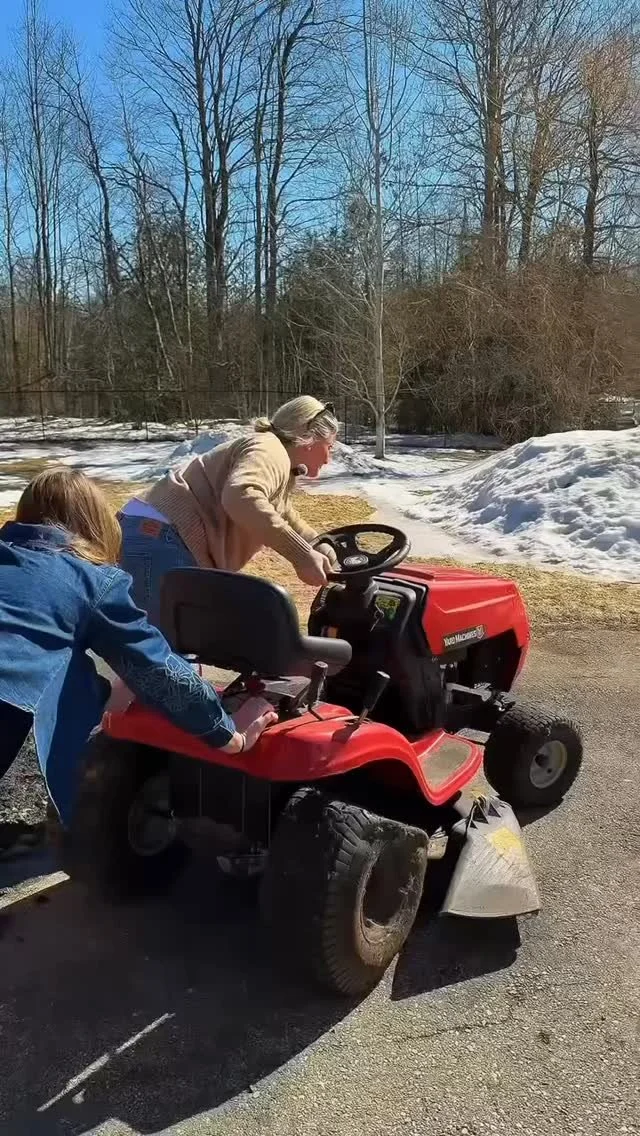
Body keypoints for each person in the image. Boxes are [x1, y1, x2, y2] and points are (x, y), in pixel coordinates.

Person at [0, 469, 276, 828]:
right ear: (93, 522)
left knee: (70, 666)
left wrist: (104, 694)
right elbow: (155, 667)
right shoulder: (91, 580)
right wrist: (229, 734)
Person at [119, 396, 339, 627]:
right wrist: (301, 556)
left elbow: (284, 516)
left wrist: (326, 546)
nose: (329, 459)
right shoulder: (269, 449)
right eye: (329, 447)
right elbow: (240, 497)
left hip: (155, 533)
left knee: (183, 638)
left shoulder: (275, 458)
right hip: (157, 536)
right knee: (165, 642)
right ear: (309, 437)